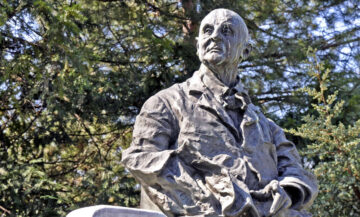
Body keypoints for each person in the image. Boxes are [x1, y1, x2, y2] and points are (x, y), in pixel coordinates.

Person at [122, 8, 318, 217]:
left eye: (226, 31)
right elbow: (142, 158)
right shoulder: (167, 102)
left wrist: (284, 194)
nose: (215, 36)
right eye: (207, 30)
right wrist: (214, 197)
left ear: (245, 51)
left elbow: (297, 172)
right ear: (198, 46)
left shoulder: (266, 126)